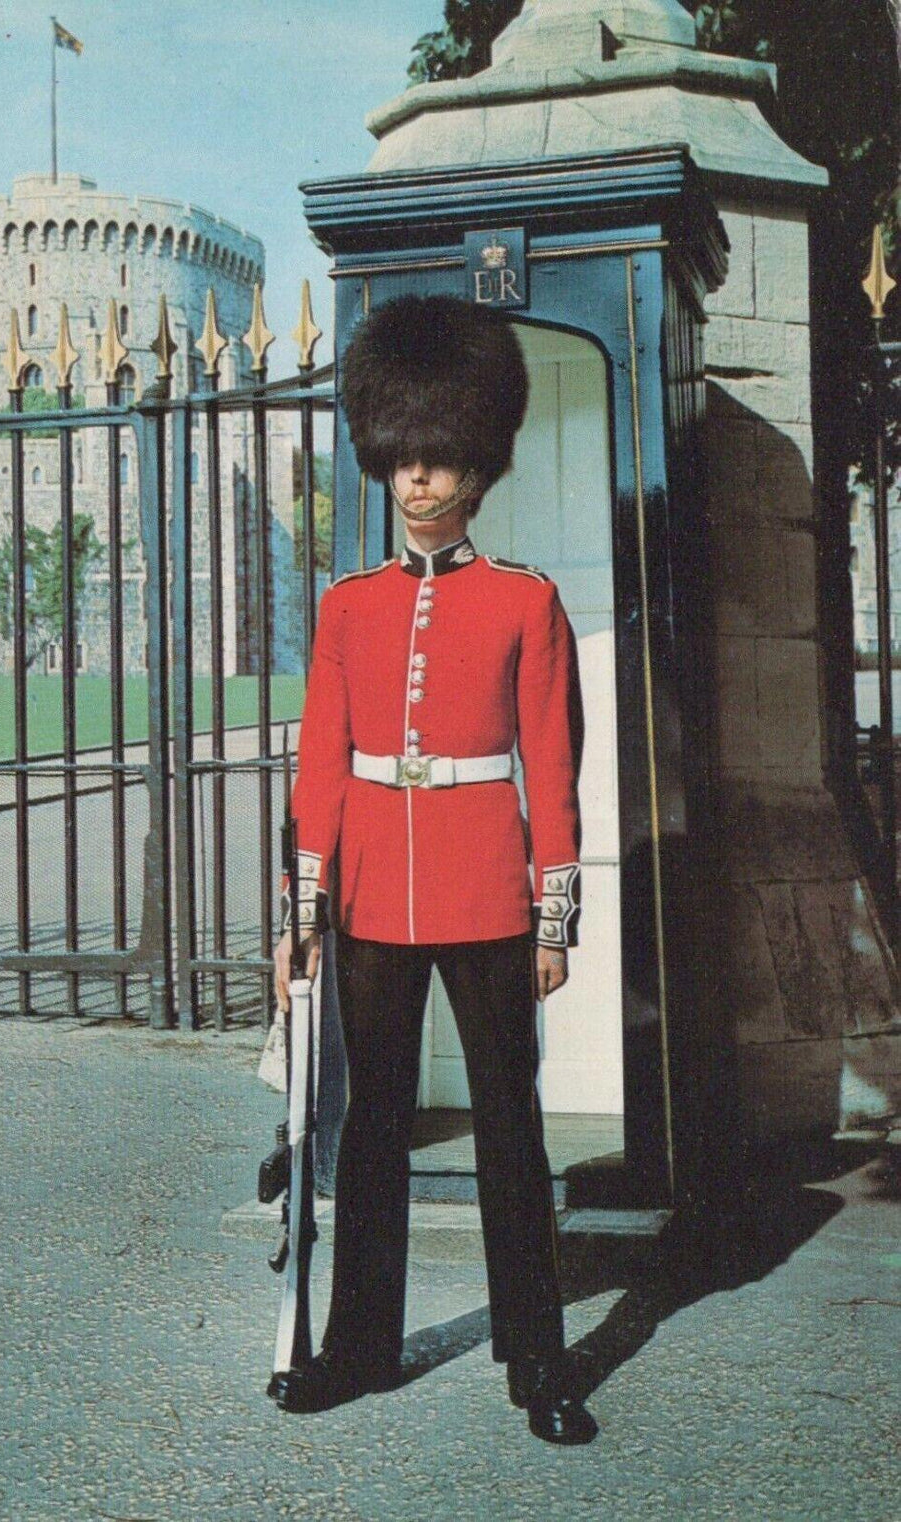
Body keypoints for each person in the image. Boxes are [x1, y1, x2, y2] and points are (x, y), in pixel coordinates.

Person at [272, 293, 596, 1445]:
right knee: (373, 1126)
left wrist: (552, 913)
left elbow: (549, 763)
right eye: (404, 455)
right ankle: (361, 1345)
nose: (418, 478)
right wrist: (303, 905)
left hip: (485, 888)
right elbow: (321, 765)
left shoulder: (524, 601)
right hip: (369, 892)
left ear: (477, 463)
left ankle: (538, 1359)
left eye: (440, 456)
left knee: (509, 1122)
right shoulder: (348, 608)